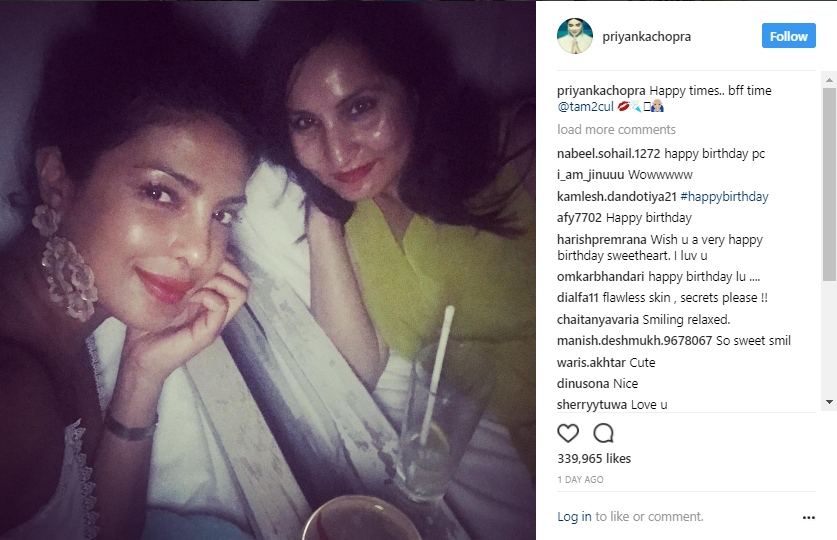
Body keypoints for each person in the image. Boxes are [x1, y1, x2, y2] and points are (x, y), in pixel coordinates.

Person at [247, 3, 534, 537]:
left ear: (413, 89)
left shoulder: (521, 148)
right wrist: (321, 213)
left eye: (359, 109)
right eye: (305, 123)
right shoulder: (355, 212)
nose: (338, 152)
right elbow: (354, 366)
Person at [0, 6, 256, 539]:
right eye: (161, 193)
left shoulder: (76, 316)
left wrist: (142, 374)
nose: (199, 252)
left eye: (223, 215)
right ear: (58, 182)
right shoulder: (12, 403)